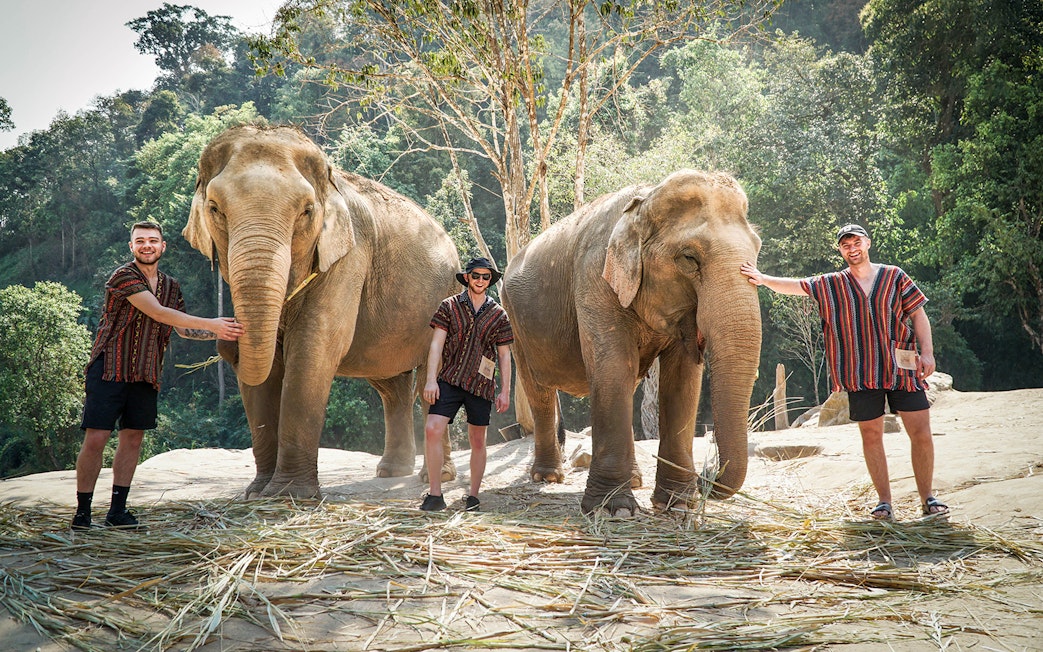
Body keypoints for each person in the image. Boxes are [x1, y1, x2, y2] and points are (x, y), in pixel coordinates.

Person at [739, 224, 949, 520]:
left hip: (902, 366)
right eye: (846, 244)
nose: (852, 248)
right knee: (871, 435)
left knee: (921, 432)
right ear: (840, 250)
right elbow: (796, 286)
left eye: (857, 242)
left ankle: (928, 498)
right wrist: (762, 279)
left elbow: (918, 313)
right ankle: (884, 502)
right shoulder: (833, 283)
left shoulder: (894, 276)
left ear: (868, 243)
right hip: (859, 371)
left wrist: (927, 352)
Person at [72, 221, 244, 530]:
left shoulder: (171, 286)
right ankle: (82, 514)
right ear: (132, 247)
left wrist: (227, 331)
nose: (147, 245)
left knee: (133, 438)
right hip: (110, 368)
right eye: (140, 241)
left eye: (153, 241)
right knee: (97, 438)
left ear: (163, 247)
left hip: (146, 372)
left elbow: (182, 328)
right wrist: (214, 324)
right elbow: (159, 313)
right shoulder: (123, 277)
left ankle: (117, 512)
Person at [420, 257, 513, 512]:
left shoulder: (498, 315)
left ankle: (473, 496)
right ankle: (435, 495)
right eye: (476, 276)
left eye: (485, 277)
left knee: (478, 441)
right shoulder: (449, 307)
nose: (480, 280)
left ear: (489, 281)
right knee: (432, 428)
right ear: (467, 278)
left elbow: (504, 355)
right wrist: (431, 380)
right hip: (449, 379)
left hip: (481, 386)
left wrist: (505, 391)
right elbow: (436, 344)